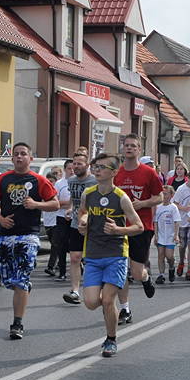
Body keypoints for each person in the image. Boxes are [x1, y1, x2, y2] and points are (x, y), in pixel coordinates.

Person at [0, 142, 58, 339]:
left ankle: (17, 324)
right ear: (12, 158)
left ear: (30, 158)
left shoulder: (38, 180)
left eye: (23, 154)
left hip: (29, 235)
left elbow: (55, 203)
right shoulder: (3, 179)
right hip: (6, 235)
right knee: (9, 280)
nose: (19, 157)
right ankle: (22, 286)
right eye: (16, 154)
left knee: (20, 279)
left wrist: (36, 204)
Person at [78, 153, 144, 358]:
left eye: (102, 167)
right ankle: (111, 310)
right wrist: (83, 222)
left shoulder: (121, 198)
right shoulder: (88, 193)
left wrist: (118, 230)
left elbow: (139, 226)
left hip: (116, 254)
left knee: (107, 300)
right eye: (95, 166)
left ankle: (111, 339)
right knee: (90, 302)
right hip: (93, 254)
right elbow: (83, 212)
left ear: (114, 172)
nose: (97, 170)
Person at [114, 134, 162, 324]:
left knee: (135, 272)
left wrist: (142, 203)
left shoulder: (149, 173)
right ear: (122, 149)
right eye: (127, 145)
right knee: (120, 269)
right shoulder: (116, 173)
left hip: (141, 226)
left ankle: (145, 277)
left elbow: (159, 197)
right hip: (118, 227)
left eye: (133, 146)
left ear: (139, 150)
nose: (129, 148)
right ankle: (125, 309)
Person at [62, 153, 97, 305]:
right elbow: (73, 200)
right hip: (76, 223)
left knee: (91, 260)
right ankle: (75, 291)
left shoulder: (94, 181)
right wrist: (70, 209)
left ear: (87, 165)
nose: (75, 167)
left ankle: (92, 289)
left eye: (79, 164)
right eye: (74, 164)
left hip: (93, 225)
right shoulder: (71, 181)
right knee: (75, 257)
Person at [171, 167, 190, 280]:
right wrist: (184, 208)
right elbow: (174, 203)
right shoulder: (181, 189)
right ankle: (181, 262)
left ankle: (189, 270)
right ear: (188, 178)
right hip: (183, 220)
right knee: (182, 245)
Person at [48, 159, 73, 280]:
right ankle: (62, 271)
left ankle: (80, 265)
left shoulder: (80, 182)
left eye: (74, 168)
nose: (72, 171)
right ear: (64, 170)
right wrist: (69, 203)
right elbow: (55, 202)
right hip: (61, 217)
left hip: (76, 217)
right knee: (61, 245)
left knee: (75, 246)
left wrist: (72, 205)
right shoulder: (59, 184)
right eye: (69, 168)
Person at [153, 185, 180, 284]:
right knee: (160, 255)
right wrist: (156, 235)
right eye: (163, 194)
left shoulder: (173, 208)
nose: (164, 196)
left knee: (169, 256)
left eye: (166, 194)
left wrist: (176, 235)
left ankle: (172, 267)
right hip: (160, 235)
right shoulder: (158, 207)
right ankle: (161, 275)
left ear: (171, 195)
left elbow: (177, 222)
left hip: (170, 236)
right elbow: (155, 222)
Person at [42, 170, 63, 277]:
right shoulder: (44, 191)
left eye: (52, 181)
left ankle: (51, 267)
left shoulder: (56, 192)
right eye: (48, 181)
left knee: (55, 245)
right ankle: (60, 262)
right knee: (56, 245)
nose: (50, 183)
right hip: (47, 222)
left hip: (57, 221)